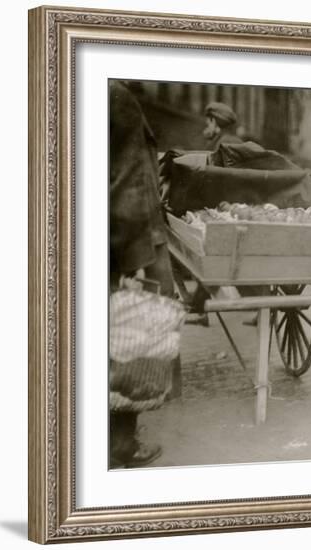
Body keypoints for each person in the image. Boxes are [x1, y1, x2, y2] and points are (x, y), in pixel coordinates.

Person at [109, 80, 178, 468]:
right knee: (130, 339)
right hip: (122, 244)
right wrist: (133, 259)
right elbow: (129, 183)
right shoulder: (117, 99)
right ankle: (121, 443)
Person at [186, 102, 244, 327]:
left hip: (228, 211)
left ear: (217, 125)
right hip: (235, 209)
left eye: (208, 123)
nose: (205, 128)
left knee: (205, 251)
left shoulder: (224, 146)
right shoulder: (232, 143)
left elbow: (218, 182)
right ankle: (199, 306)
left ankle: (199, 308)